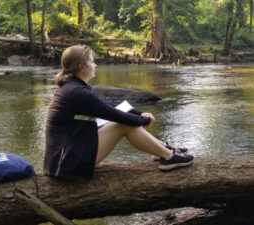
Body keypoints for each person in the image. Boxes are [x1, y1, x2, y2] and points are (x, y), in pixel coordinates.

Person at [44, 45, 194, 179]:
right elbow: (113, 115)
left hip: (67, 158)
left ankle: (163, 150)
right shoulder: (77, 92)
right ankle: (168, 157)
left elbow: (107, 106)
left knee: (123, 122)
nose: (95, 65)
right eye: (91, 62)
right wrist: (143, 121)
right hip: (69, 164)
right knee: (123, 125)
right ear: (81, 67)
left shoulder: (72, 87)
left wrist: (138, 113)